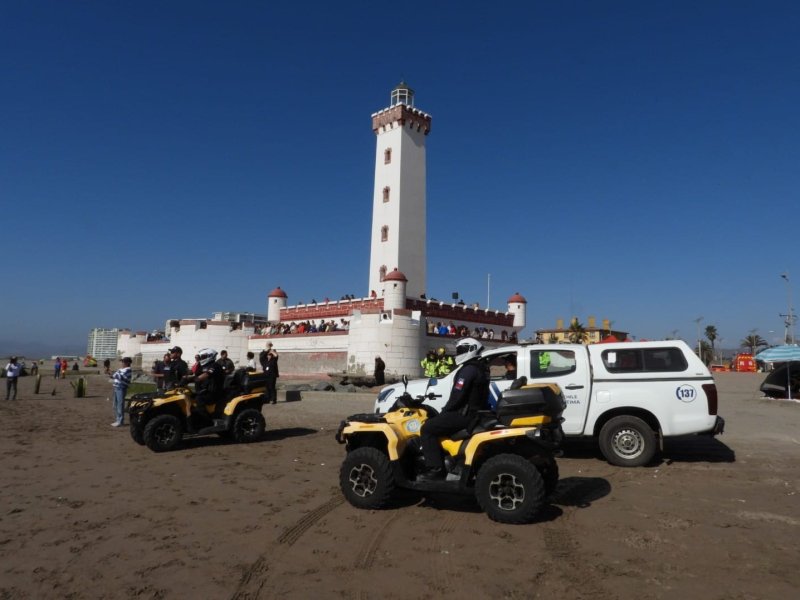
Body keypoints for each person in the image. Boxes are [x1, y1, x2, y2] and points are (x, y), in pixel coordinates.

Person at [418, 338, 488, 481]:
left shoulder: (468, 370)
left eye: (461, 351)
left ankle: (435, 469)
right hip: (474, 414)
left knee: (427, 429)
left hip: (464, 415)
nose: (458, 354)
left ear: (471, 349)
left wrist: (444, 412)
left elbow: (457, 396)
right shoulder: (481, 367)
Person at [182, 348, 225, 415]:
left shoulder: (215, 366)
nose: (201, 359)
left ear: (210, 356)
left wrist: (192, 379)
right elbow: (196, 374)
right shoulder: (203, 366)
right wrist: (185, 378)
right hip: (205, 391)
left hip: (214, 393)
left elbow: (205, 375)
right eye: (201, 357)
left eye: (203, 357)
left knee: (199, 400)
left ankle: (207, 421)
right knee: (190, 395)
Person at [110, 357, 132, 427]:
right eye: (122, 362)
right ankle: (118, 419)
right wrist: (114, 374)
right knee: (115, 404)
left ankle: (120, 421)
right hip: (116, 387)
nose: (122, 363)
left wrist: (115, 374)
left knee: (120, 404)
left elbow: (122, 377)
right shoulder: (121, 369)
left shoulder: (128, 370)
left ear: (127, 363)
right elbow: (114, 376)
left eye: (124, 362)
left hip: (121, 388)